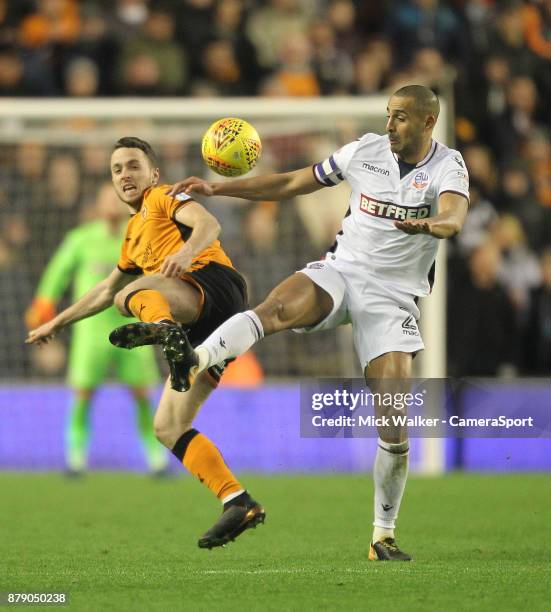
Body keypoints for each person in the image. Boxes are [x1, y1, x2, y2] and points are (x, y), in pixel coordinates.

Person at [164, 84, 470, 560]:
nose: (390, 125)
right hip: (342, 272)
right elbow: (290, 183)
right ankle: (194, 357)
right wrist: (217, 187)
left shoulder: (447, 166)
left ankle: (382, 536)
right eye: (389, 115)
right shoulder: (364, 151)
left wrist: (433, 225)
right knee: (276, 308)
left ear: (429, 122)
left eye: (402, 118)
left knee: (393, 419)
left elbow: (454, 214)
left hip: (392, 299)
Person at [26, 137, 265, 548]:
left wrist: (188, 252)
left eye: (133, 165)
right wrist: (59, 322)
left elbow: (210, 224)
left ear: (152, 173)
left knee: (129, 296)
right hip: (205, 325)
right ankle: (237, 501)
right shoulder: (132, 236)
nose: (125, 175)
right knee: (168, 426)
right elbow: (103, 290)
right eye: (117, 169)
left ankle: (164, 330)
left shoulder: (163, 196)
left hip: (211, 284)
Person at [25, 182, 167, 476]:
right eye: (108, 199)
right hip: (90, 329)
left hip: (131, 325)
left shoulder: (140, 237)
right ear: (99, 205)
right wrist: (44, 302)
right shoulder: (81, 239)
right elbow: (57, 272)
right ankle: (75, 457)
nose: (113, 205)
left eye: (118, 200)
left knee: (142, 392)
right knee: (83, 393)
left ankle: (155, 458)